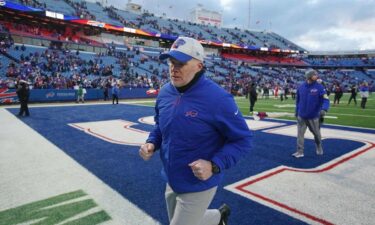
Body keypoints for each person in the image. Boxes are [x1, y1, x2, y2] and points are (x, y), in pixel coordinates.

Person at [139, 37, 253, 225]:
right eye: (171, 62)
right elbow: (161, 126)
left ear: (199, 66)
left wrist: (214, 165)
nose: (173, 68)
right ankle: (218, 217)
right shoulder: (166, 92)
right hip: (171, 176)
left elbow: (243, 140)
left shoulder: (218, 99)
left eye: (181, 63)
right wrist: (152, 142)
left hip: (199, 182)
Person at [293, 69, 330, 158]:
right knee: (300, 135)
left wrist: (324, 109)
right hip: (301, 116)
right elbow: (298, 101)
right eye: (314, 74)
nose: (316, 76)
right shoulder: (301, 87)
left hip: (313, 116)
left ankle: (318, 146)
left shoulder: (320, 87)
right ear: (309, 76)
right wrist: (296, 112)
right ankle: (300, 151)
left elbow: (326, 100)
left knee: (317, 134)